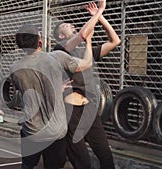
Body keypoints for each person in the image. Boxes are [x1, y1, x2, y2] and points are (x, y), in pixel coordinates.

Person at [10, 23, 93, 169]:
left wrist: (54, 88)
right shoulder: (57, 58)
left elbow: (27, 90)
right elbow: (86, 63)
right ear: (40, 41)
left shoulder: (15, 68)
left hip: (31, 131)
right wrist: (89, 41)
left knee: (28, 166)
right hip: (55, 133)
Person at [53, 1, 121, 169]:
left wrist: (100, 16)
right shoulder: (60, 49)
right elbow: (84, 33)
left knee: (105, 155)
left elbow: (115, 40)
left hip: (90, 110)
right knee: (82, 162)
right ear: (61, 35)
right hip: (71, 112)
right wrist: (101, 9)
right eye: (67, 25)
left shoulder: (86, 50)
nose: (72, 25)